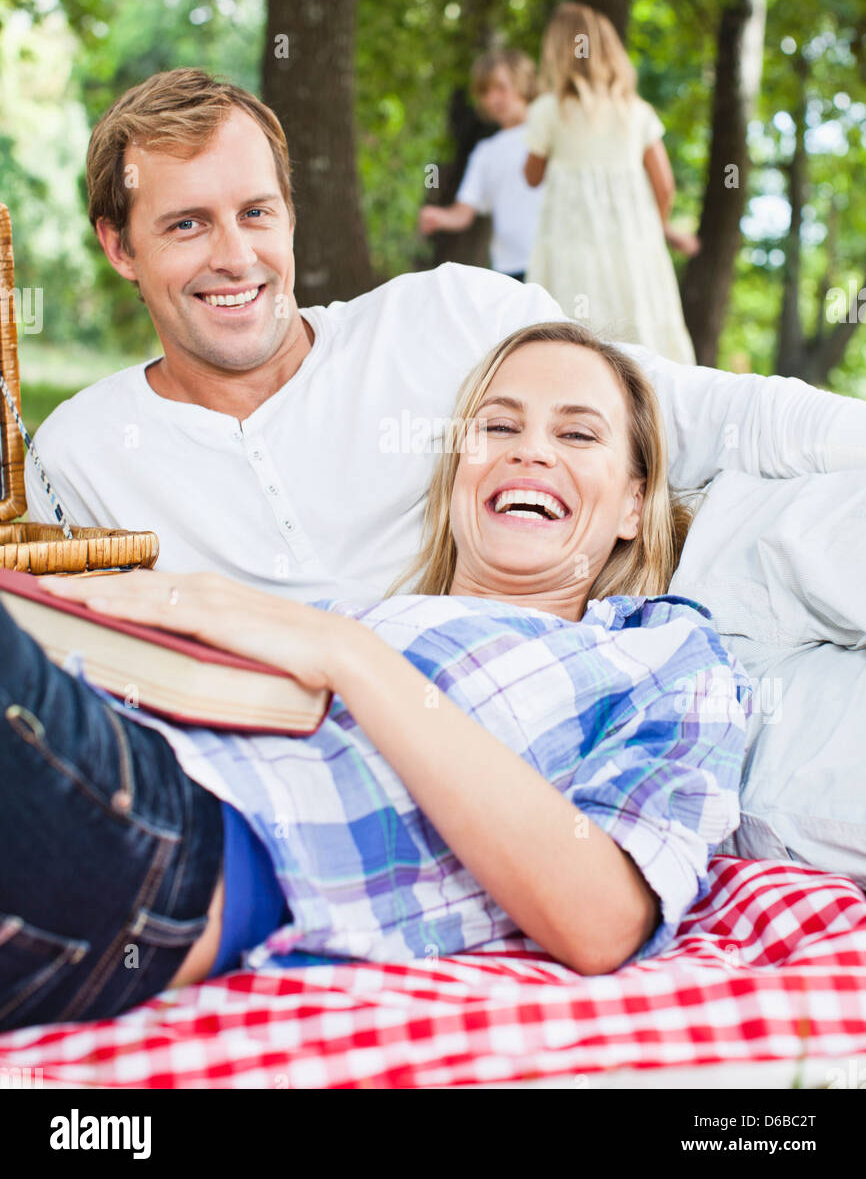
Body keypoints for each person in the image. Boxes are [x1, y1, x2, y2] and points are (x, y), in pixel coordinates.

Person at [0, 321, 750, 1031]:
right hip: (89, 761)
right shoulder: (356, 611)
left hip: (171, 844)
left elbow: (604, 918)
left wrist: (348, 657)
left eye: (578, 434)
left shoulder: (660, 651)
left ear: (633, 503)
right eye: (497, 426)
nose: (531, 452)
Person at [24, 68, 866, 599]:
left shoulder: (451, 316)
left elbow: (712, 415)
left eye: (256, 213)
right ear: (118, 245)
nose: (236, 257)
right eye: (186, 226)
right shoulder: (84, 454)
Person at [524, 1, 699, 364]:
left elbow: (531, 176)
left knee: (572, 328)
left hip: (572, 245)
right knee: (643, 325)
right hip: (634, 244)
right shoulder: (636, 113)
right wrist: (659, 225)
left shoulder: (548, 111)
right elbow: (664, 184)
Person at [417, 49, 543, 281]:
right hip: (508, 269)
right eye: (485, 92)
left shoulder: (549, 131)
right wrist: (438, 216)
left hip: (551, 263)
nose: (493, 99)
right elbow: (463, 213)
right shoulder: (485, 152)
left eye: (501, 88)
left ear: (523, 83)